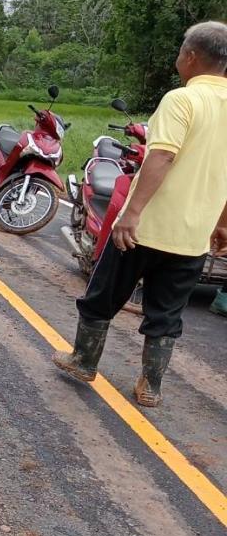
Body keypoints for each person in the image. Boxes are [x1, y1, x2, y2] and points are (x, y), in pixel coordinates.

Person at [54, 21, 227, 407]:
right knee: (167, 313)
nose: (178, 57)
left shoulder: (182, 100)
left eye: (181, 50)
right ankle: (151, 386)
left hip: (146, 229)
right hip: (193, 236)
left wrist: (131, 214)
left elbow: (162, 156)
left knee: (102, 297)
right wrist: (221, 223)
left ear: (192, 57)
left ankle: (83, 361)